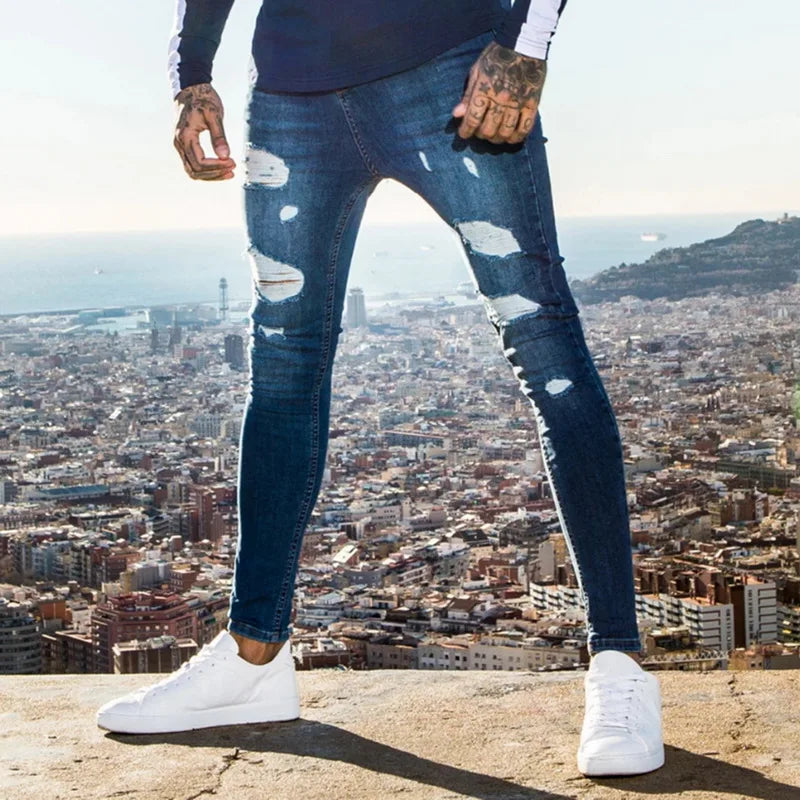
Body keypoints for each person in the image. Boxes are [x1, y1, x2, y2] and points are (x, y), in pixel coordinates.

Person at [97, 0, 665, 778]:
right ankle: (253, 658)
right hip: (291, 90)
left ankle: (619, 665)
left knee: (545, 345)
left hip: (450, 65)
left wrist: (525, 44)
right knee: (282, 366)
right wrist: (191, 73)